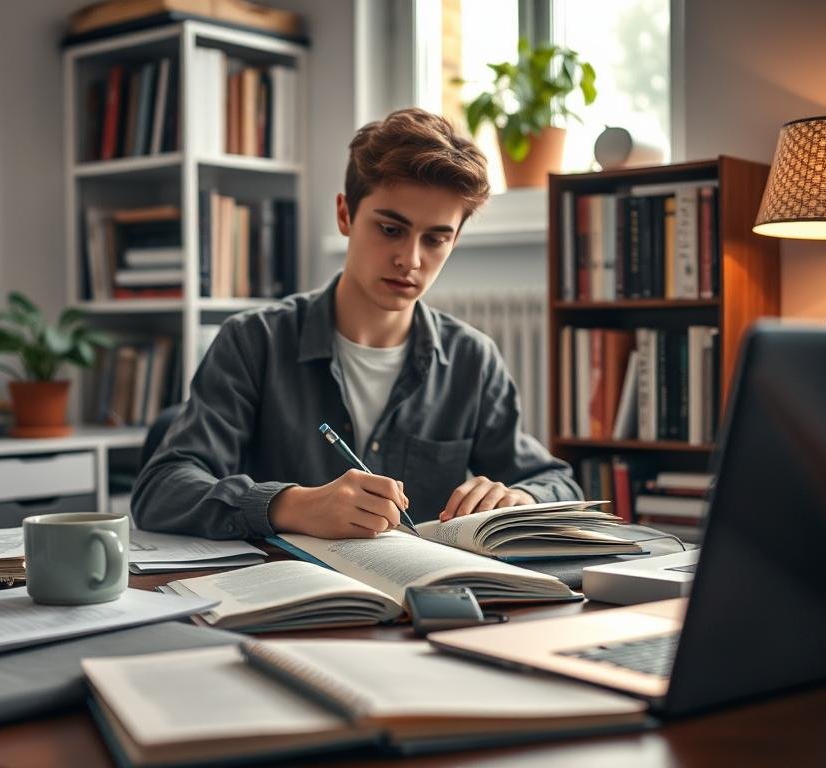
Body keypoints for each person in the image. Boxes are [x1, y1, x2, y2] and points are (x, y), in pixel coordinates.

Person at [131, 107, 581, 540]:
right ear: (345, 214)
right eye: (390, 229)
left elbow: (557, 483)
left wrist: (518, 498)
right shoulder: (255, 341)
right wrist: (290, 505)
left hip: (417, 599)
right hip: (282, 595)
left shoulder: (471, 359)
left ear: (455, 239)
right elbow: (161, 488)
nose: (411, 259)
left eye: (436, 238)